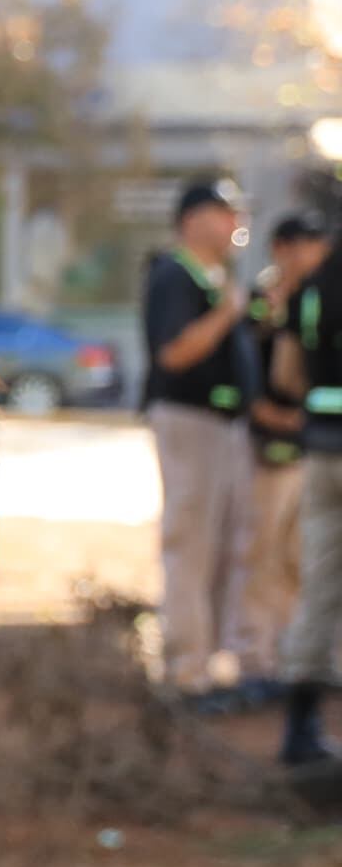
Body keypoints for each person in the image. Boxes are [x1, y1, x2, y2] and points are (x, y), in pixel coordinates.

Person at [143, 177, 254, 701]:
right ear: (192, 220)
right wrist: (227, 314)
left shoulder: (216, 276)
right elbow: (173, 354)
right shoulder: (174, 273)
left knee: (223, 545)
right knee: (190, 543)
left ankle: (207, 662)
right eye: (223, 212)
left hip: (223, 424)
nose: (235, 223)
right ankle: (186, 668)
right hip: (190, 420)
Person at [235, 213, 326, 696]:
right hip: (268, 448)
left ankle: (293, 658)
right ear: (281, 249)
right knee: (261, 555)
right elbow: (251, 370)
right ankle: (257, 658)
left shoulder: (319, 297)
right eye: (299, 246)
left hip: (309, 449)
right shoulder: (260, 303)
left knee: (299, 559)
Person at [262, 234, 342, 768]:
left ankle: (299, 730)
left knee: (318, 585)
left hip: (321, 453)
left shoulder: (313, 287)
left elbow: (284, 376)